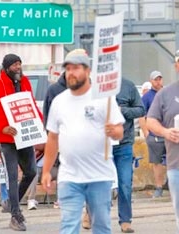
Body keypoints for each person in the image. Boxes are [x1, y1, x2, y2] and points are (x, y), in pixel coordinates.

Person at [42, 48, 125, 234]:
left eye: (76, 68)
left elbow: (120, 131)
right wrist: (46, 170)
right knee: (68, 226)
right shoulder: (59, 101)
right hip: (69, 177)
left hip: (99, 176)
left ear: (87, 71)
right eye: (68, 68)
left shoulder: (104, 98)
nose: (71, 72)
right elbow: (53, 138)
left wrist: (114, 131)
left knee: (101, 226)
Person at [0, 53, 42, 231]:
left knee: (30, 172)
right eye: (15, 65)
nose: (18, 67)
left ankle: (10, 203)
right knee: (12, 176)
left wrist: (39, 124)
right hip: (5, 138)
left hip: (24, 137)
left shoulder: (25, 82)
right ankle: (16, 215)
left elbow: (31, 105)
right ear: (6, 67)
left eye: (20, 64)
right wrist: (1, 127)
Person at [146, 50, 179, 232]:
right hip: (176, 165)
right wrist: (166, 132)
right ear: (176, 66)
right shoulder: (165, 94)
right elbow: (151, 120)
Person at [112, 77, 146, 233]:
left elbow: (140, 109)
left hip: (124, 144)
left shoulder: (128, 85)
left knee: (125, 183)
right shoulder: (95, 86)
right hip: (101, 144)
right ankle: (91, 213)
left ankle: (125, 220)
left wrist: (122, 110)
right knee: (99, 184)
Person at [139, 71, 166, 198]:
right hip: (154, 135)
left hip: (169, 133)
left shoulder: (167, 94)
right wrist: (146, 132)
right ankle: (159, 186)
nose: (158, 82)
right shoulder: (147, 97)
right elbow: (141, 115)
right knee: (157, 162)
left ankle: (170, 184)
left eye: (160, 79)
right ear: (151, 81)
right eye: (156, 79)